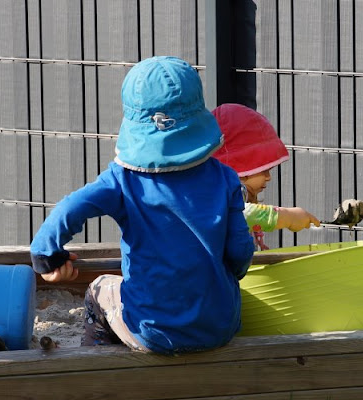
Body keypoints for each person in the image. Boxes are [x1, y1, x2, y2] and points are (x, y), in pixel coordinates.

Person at [29, 56, 255, 355]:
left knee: (98, 289)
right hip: (219, 328)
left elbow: (72, 207)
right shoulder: (224, 177)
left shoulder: (122, 180)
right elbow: (240, 252)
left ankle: (97, 364)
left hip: (151, 331)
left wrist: (46, 257)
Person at [211, 103, 320, 250]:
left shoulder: (235, 193)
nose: (268, 177)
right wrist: (288, 216)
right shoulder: (217, 196)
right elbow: (241, 215)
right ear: (242, 167)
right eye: (263, 170)